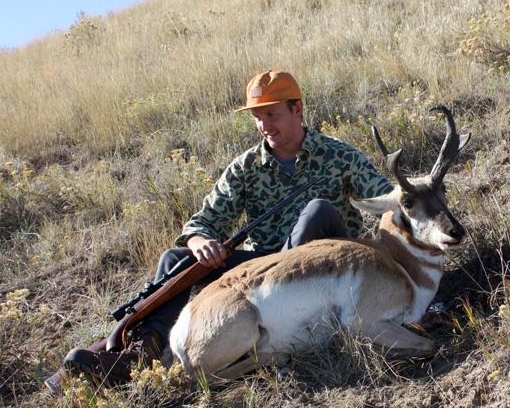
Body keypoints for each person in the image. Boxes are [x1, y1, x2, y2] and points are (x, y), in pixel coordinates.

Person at [62, 70, 393, 384]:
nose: (264, 125)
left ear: (297, 109)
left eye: (272, 114)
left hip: (323, 266)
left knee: (318, 211)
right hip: (263, 269)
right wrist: (200, 242)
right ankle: (141, 354)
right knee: (176, 259)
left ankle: (272, 331)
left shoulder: (340, 156)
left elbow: (391, 200)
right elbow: (202, 223)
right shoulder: (245, 167)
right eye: (257, 117)